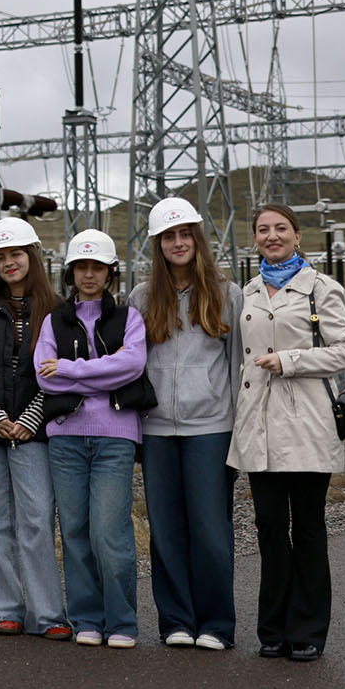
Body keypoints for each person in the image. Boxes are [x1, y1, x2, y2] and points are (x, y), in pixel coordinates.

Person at [231, 203, 345, 663]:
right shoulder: (245, 292)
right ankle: (273, 628)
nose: (272, 236)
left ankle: (307, 630)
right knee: (268, 527)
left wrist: (290, 361)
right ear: (255, 239)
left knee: (306, 527)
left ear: (298, 235)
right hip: (258, 424)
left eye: (280, 228)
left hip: (306, 422)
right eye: (263, 229)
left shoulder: (320, 289)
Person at [127, 198, 244, 651]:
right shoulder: (141, 297)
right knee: (166, 529)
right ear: (158, 245)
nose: (178, 243)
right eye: (168, 237)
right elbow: (134, 367)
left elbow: (237, 366)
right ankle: (175, 620)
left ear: (197, 239)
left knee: (211, 529)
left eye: (185, 234)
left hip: (211, 429)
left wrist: (237, 427)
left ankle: (216, 624)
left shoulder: (227, 294)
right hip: (157, 431)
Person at [0, 218, 69, 640]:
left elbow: (57, 373)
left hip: (33, 431)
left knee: (38, 518)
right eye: (0, 257)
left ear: (33, 256)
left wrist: (28, 419)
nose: (8, 263)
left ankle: (48, 615)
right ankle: (7, 610)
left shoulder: (57, 311)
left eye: (15, 255)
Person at [34, 229, 148, 649]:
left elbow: (132, 365)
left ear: (110, 273)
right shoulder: (53, 321)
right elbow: (43, 378)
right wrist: (98, 370)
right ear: (70, 273)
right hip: (66, 438)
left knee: (108, 530)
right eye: (81, 267)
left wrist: (70, 368)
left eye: (96, 267)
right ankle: (86, 617)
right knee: (77, 529)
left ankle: (122, 623)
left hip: (115, 436)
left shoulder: (128, 318)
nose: (88, 274)